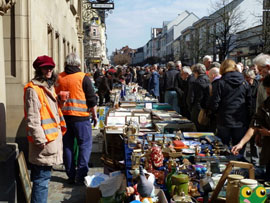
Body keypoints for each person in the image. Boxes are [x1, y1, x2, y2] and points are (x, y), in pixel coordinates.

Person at [24, 55, 67, 203]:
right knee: (41, 181)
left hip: (50, 140)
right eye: (45, 67)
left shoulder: (48, 86)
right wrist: (39, 139)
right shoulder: (33, 89)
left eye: (51, 67)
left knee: (43, 180)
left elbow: (51, 112)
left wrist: (60, 101)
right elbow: (33, 118)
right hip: (43, 143)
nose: (49, 70)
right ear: (38, 69)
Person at [55, 53, 97, 184]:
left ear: (66, 64)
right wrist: (94, 115)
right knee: (84, 145)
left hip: (64, 118)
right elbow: (91, 99)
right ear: (78, 64)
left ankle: (70, 174)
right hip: (81, 119)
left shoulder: (59, 78)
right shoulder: (83, 77)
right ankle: (81, 174)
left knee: (67, 146)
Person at [232, 74, 270, 180]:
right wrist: (241, 143)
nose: (268, 95)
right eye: (267, 92)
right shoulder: (266, 104)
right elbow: (254, 125)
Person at [208, 59, 252, 152]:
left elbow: (215, 102)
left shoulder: (220, 83)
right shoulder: (244, 83)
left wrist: (216, 113)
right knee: (238, 149)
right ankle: (239, 165)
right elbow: (249, 102)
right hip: (241, 119)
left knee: (223, 149)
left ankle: (225, 166)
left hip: (224, 119)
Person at [190, 63, 210, 131]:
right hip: (207, 109)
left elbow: (190, 98)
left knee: (197, 129)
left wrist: (190, 108)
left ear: (196, 72)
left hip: (197, 108)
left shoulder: (195, 82)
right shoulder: (209, 80)